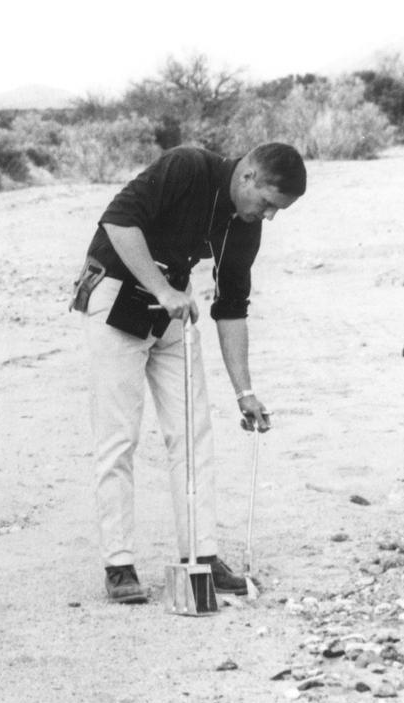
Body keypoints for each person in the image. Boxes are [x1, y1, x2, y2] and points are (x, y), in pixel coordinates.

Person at [72, 142, 306, 604]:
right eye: (268, 204)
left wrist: (245, 392)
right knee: (119, 437)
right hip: (115, 290)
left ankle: (201, 555)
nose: (269, 216)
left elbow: (232, 307)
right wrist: (161, 287)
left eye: (278, 211)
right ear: (249, 176)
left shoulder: (245, 226)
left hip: (171, 306)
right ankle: (119, 565)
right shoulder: (188, 167)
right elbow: (118, 222)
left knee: (193, 433)